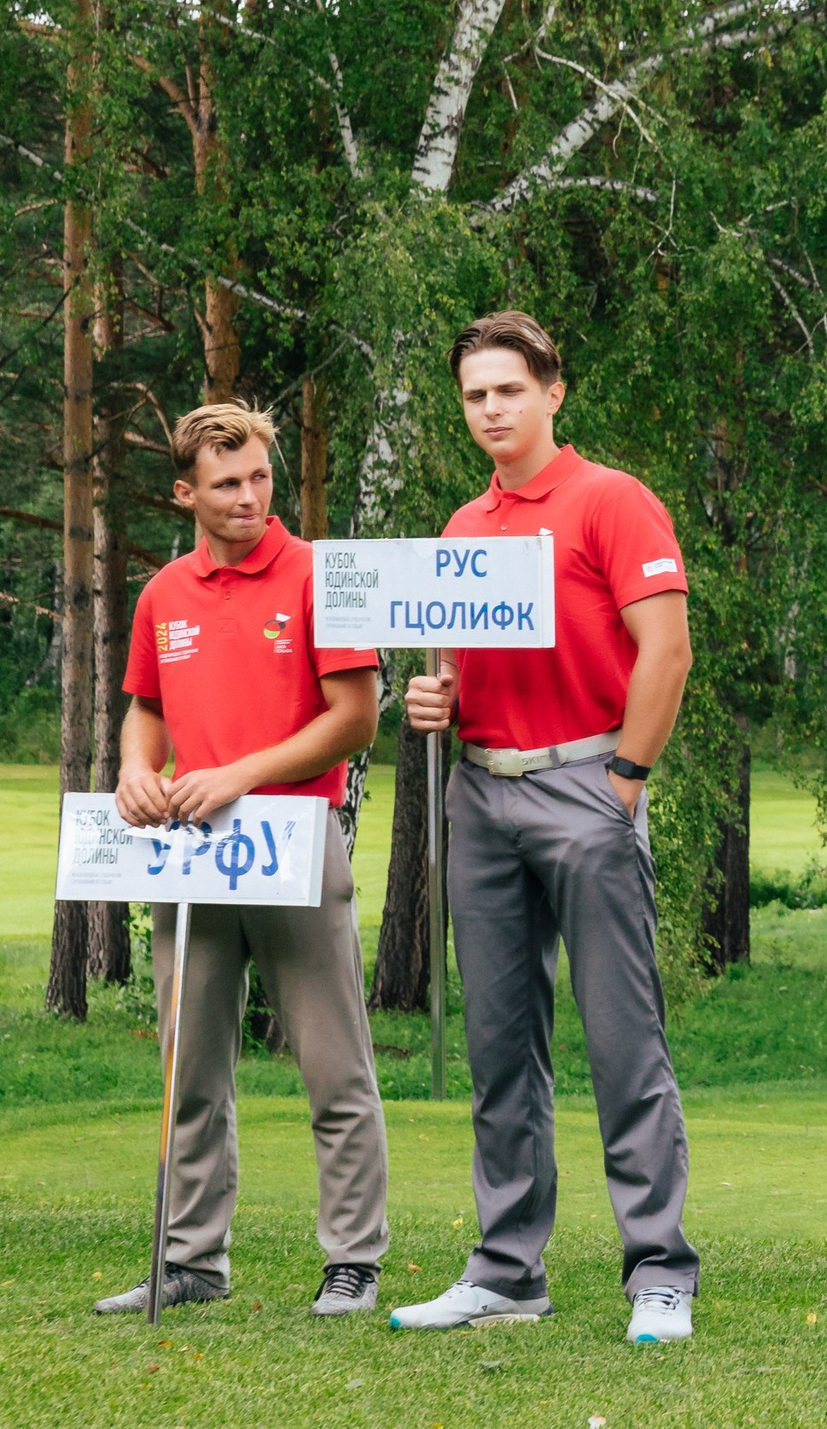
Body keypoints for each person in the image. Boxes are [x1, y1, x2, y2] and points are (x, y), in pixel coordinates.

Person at [390, 311, 701, 1345]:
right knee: (499, 1046)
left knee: (622, 1042)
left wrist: (625, 778)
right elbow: (442, 671)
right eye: (475, 394)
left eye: (508, 391)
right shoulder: (460, 528)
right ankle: (507, 1271)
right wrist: (428, 701)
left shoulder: (610, 501)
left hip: (586, 781)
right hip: (479, 793)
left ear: (552, 392)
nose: (491, 410)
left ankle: (659, 1268)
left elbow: (666, 652)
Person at [91, 403, 389, 1320]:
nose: (251, 496)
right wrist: (140, 768)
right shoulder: (162, 595)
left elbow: (355, 715)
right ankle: (191, 1261)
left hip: (295, 848)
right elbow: (145, 707)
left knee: (334, 1070)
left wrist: (237, 776)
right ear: (185, 493)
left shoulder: (319, 575)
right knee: (191, 1073)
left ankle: (352, 1260)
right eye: (227, 483)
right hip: (191, 861)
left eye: (261, 476)